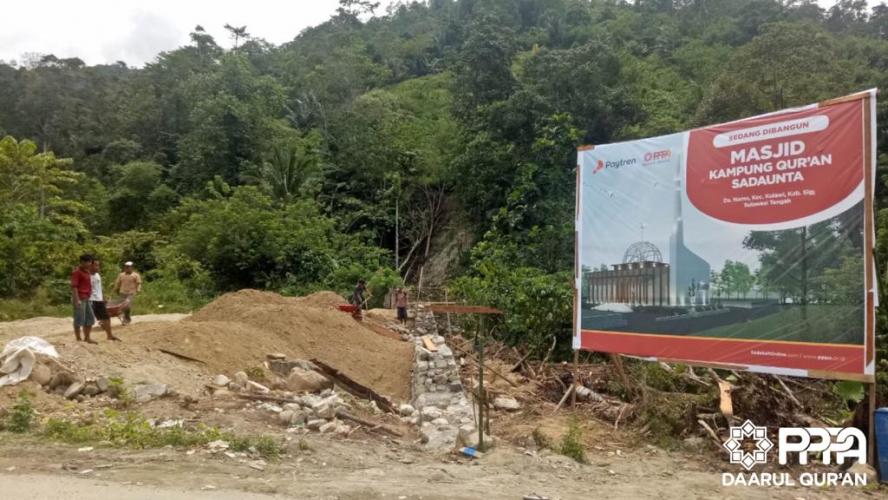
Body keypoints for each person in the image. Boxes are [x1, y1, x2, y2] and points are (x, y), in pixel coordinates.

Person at [89, 259, 121, 342]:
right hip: (91, 300)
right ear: (91, 266)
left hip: (99, 300)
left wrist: (103, 298)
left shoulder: (97, 275)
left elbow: (100, 288)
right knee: (89, 319)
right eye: (96, 265)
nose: (98, 267)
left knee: (106, 317)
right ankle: (86, 338)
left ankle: (110, 336)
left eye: (98, 265)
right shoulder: (87, 276)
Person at [71, 254, 96, 344]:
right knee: (79, 319)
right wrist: (77, 300)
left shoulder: (87, 272)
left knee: (90, 318)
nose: (89, 264)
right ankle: (78, 338)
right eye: (87, 262)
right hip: (80, 298)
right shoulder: (77, 272)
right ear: (82, 262)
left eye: (90, 262)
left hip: (87, 298)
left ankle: (87, 337)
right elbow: (74, 287)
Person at [114, 261, 142, 325]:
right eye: (126, 267)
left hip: (131, 293)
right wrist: (116, 289)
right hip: (122, 292)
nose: (127, 268)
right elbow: (118, 283)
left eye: (129, 267)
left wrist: (138, 289)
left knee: (127, 306)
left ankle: (126, 319)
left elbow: (139, 283)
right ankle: (126, 318)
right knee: (123, 306)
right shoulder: (121, 275)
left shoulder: (136, 275)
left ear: (132, 267)